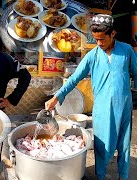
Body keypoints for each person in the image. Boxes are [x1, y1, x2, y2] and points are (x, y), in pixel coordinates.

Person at [45, 14, 137, 180]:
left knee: (124, 145)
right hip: (102, 110)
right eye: (96, 39)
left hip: (124, 107)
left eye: (102, 39)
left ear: (113, 34)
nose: (99, 43)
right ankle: (100, 176)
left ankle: (123, 176)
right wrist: (57, 97)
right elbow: (73, 79)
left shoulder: (127, 51)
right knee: (101, 146)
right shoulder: (92, 56)